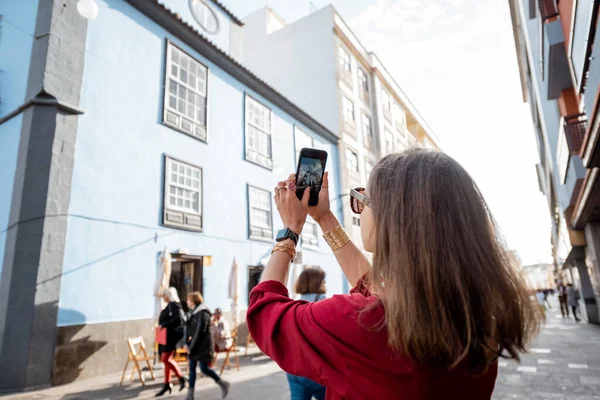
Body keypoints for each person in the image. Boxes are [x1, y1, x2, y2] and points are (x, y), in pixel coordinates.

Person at [247, 149, 542, 399]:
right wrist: (324, 218)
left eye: (363, 201)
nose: (360, 210)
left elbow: (265, 315)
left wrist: (289, 232)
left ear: (394, 218)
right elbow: (372, 287)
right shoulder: (473, 317)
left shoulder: (362, 324)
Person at [286, 267, 328, 400]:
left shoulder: (293, 304)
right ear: (317, 282)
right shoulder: (322, 301)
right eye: (323, 280)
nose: (325, 283)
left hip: (294, 369)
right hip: (315, 368)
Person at [185, 292, 230, 400]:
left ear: (193, 301)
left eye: (188, 300)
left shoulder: (203, 313)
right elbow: (188, 329)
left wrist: (190, 347)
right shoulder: (193, 313)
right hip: (195, 345)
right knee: (192, 369)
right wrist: (186, 343)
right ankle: (190, 395)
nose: (187, 302)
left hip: (203, 346)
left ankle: (222, 383)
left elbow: (199, 332)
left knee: (204, 369)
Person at [156, 287, 185, 397]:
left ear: (169, 295)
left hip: (171, 337)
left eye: (164, 295)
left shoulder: (174, 305)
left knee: (165, 359)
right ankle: (167, 383)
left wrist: (163, 325)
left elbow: (177, 320)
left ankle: (181, 377)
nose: (163, 297)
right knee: (167, 360)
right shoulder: (169, 306)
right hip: (165, 336)